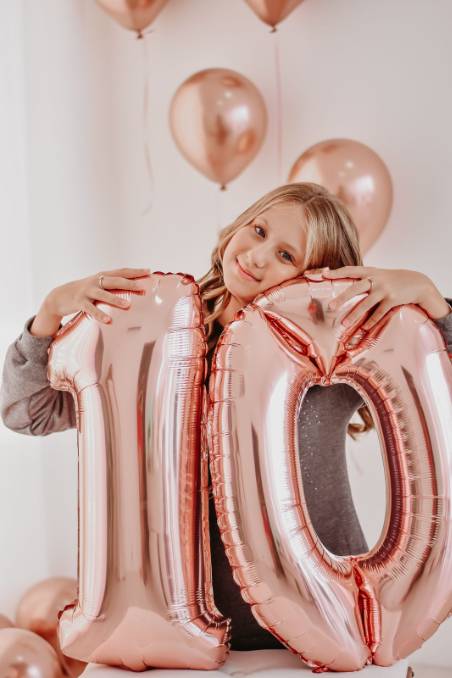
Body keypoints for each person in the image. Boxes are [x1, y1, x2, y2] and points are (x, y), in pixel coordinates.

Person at [1, 182, 451, 652]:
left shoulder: (330, 367)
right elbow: (25, 413)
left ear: (317, 276)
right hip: (190, 630)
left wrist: (430, 299)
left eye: (286, 255)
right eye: (257, 231)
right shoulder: (163, 345)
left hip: (323, 621)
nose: (257, 256)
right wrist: (49, 313)